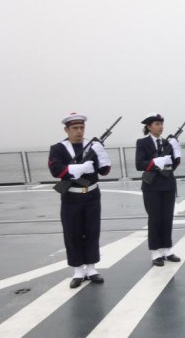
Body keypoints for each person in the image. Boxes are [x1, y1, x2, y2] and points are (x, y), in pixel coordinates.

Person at [48, 113, 111, 288]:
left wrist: (101, 153)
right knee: (72, 233)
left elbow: (105, 170)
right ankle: (78, 270)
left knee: (92, 231)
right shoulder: (58, 148)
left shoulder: (93, 147)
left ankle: (91, 268)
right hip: (71, 196)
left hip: (91, 194)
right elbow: (55, 170)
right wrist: (77, 168)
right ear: (66, 130)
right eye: (74, 128)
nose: (79, 131)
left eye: (81, 128)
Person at [136, 113, 182, 266]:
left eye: (161, 124)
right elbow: (139, 164)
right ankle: (155, 252)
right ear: (149, 127)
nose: (160, 127)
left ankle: (167, 249)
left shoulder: (167, 143)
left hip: (167, 184)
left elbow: (173, 165)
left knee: (167, 217)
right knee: (154, 218)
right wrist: (155, 162)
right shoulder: (142, 142)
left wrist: (176, 153)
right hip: (152, 186)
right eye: (157, 124)